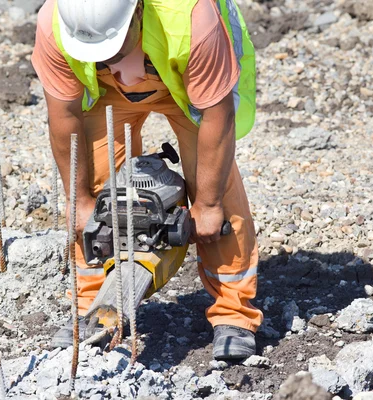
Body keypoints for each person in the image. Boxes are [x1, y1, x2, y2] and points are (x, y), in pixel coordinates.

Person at [31, 0, 263, 359]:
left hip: (186, 79)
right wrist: (77, 199)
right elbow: (63, 115)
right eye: (98, 54)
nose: (109, 60)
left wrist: (208, 205)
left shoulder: (191, 20)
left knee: (217, 195)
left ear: (137, 11)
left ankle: (234, 314)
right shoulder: (56, 23)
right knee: (94, 195)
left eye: (112, 50)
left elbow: (218, 117)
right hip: (110, 94)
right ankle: (93, 309)